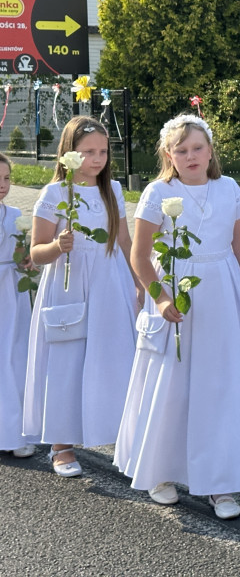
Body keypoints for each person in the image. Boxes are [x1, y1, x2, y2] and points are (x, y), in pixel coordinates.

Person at [114, 114, 240, 520]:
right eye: (181, 150)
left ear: (211, 150)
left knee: (220, 384)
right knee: (172, 382)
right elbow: (140, 254)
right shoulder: (156, 192)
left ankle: (219, 481)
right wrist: (160, 298)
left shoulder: (229, 189)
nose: (190, 156)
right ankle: (161, 472)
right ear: (169, 155)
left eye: (197, 148)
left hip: (223, 293)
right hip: (175, 294)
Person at [24, 117, 143, 477]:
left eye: (103, 151)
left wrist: (140, 284)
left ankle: (124, 437)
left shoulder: (113, 191)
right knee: (68, 359)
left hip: (110, 283)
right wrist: (57, 246)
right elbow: (35, 252)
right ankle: (61, 445)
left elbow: (123, 242)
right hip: (68, 286)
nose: (97, 159)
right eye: (88, 151)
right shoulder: (55, 194)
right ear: (69, 153)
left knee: (115, 356)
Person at [0, 152, 38, 459]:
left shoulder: (15, 215)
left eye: (7, 178)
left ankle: (15, 431)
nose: (3, 185)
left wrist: (29, 264)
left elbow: (25, 255)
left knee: (15, 356)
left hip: (11, 291)